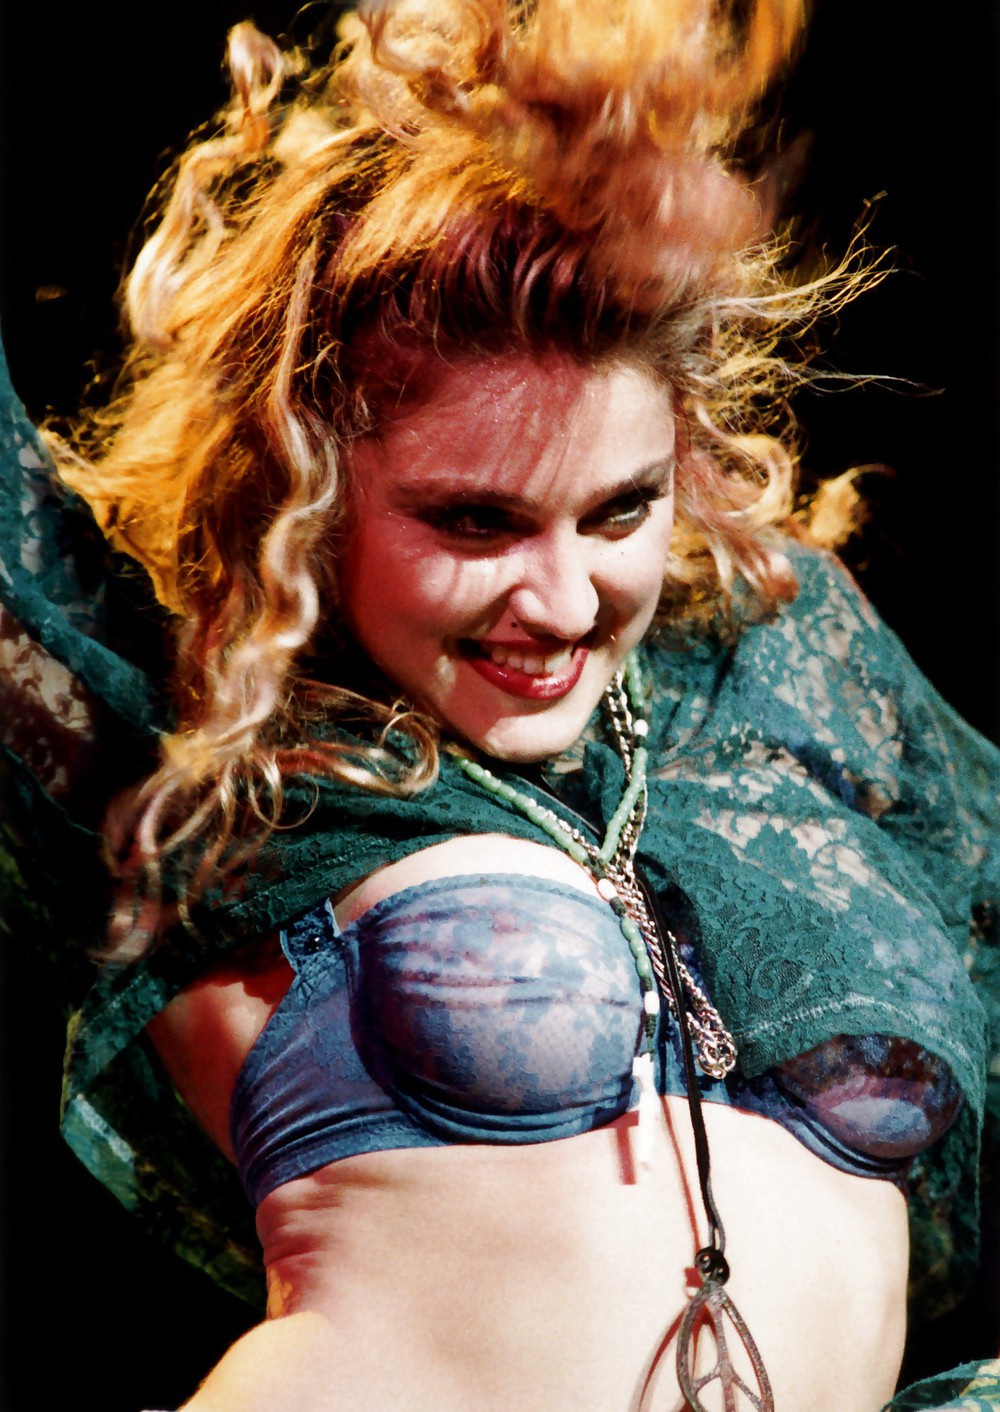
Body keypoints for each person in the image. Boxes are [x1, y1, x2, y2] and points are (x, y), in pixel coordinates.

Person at [0, 1, 998, 1409]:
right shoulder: (197, 749)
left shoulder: (781, 674)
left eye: (621, 510)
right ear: (302, 494)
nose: (566, 599)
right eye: (475, 522)